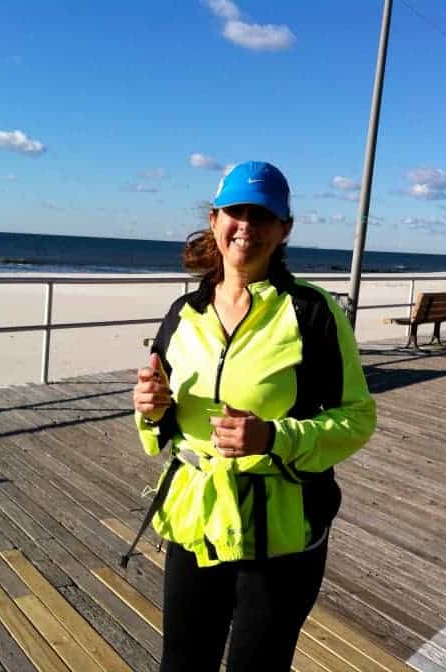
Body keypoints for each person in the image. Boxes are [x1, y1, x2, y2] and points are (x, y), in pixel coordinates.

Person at [130, 160, 376, 672]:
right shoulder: (184, 311)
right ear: (216, 219)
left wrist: (274, 438)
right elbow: (161, 416)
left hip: (281, 532)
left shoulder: (312, 311)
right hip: (195, 522)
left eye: (263, 216)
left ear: (285, 229)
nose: (248, 226)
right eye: (237, 212)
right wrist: (152, 412)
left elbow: (357, 418)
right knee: (181, 664)